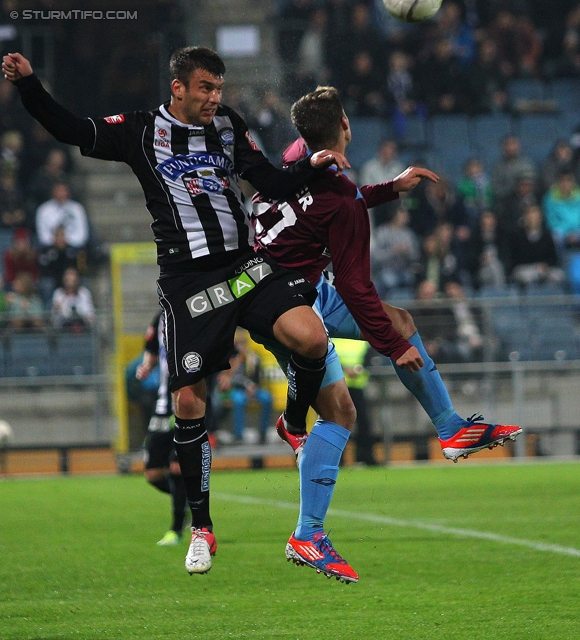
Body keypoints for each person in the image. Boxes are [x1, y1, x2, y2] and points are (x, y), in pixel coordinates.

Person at [3, 47, 349, 576]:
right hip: (190, 283)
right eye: (206, 88)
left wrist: (309, 166)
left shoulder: (228, 126)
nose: (215, 97)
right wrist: (29, 85)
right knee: (189, 399)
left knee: (313, 339)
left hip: (243, 266)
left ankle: (293, 423)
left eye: (219, 88)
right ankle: (203, 528)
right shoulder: (142, 132)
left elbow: (269, 180)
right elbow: (72, 130)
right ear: (178, 88)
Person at [251, 87, 521, 581]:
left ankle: (452, 429)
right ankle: (308, 534)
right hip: (288, 308)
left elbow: (334, 201)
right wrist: (394, 350)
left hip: (296, 285)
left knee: (402, 321)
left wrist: (388, 189)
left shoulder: (297, 161)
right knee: (342, 410)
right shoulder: (342, 201)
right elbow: (356, 286)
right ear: (347, 125)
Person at [135, 311, 189, 547]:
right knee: (154, 474)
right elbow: (152, 351)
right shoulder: (158, 319)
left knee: (178, 468)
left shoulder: (193, 311)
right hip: (162, 404)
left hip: (188, 403)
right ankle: (187, 501)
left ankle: (176, 530)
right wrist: (146, 366)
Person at [332, 338, 376, 466]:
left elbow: (369, 361)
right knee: (340, 423)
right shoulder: (360, 341)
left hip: (354, 387)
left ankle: (365, 456)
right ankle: (340, 459)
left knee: (362, 423)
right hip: (338, 388)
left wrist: (354, 370)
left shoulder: (360, 342)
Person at [35, 182, 89, 250]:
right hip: (50, 247)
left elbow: (82, 234)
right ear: (53, 192)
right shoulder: (44, 209)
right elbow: (42, 234)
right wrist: (55, 241)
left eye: (63, 191)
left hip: (73, 246)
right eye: (58, 191)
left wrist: (66, 240)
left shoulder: (77, 208)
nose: (61, 194)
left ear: (68, 192)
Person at [51, 266, 95, 331]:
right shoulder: (58, 293)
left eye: (72, 276)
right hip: (64, 328)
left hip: (83, 327)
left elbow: (90, 313)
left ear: (77, 279)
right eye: (67, 277)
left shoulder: (84, 293)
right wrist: (57, 309)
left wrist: (80, 314)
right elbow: (54, 318)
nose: (70, 279)